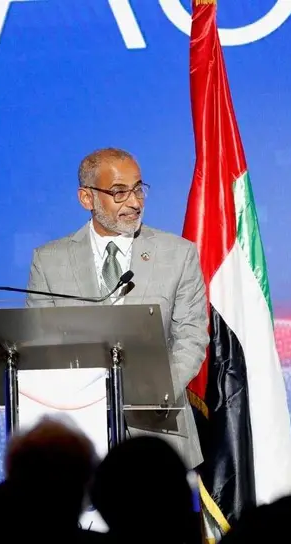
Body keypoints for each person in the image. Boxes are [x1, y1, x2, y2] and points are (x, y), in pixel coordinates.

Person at [26, 147, 209, 470]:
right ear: (87, 198)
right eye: (119, 192)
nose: (135, 202)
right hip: (77, 436)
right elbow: (40, 345)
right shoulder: (49, 261)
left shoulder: (178, 254)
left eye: (139, 189)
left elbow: (191, 338)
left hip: (158, 435)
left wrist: (151, 391)